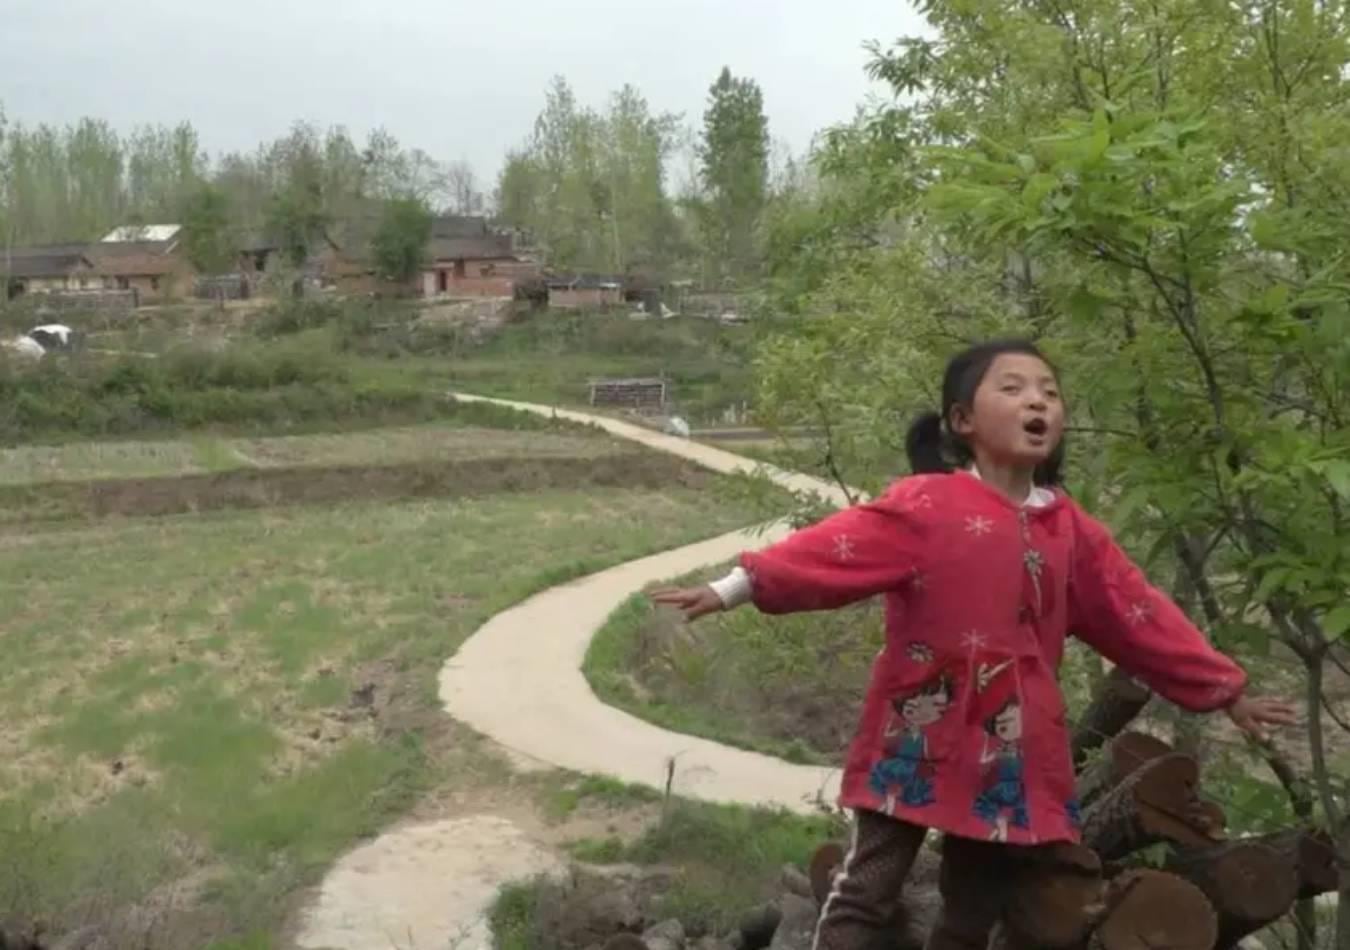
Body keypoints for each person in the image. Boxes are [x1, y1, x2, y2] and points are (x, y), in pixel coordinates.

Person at [651, 339, 1296, 950]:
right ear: (962, 419)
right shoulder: (927, 505)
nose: (1037, 401)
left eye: (1049, 391)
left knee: (970, 909)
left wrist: (1225, 689)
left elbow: (1138, 615)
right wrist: (735, 585)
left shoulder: (1071, 531)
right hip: (918, 732)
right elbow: (833, 550)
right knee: (865, 891)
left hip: (1009, 749)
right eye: (1012, 388)